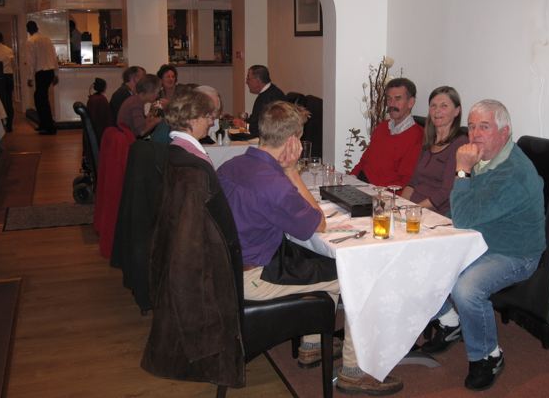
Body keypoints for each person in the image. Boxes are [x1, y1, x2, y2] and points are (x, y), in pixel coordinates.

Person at [217, 101, 403, 396]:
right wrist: (292, 171)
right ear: (293, 142)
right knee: (356, 277)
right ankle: (354, 372)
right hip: (253, 278)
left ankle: (312, 344)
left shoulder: (232, 165)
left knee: (324, 265)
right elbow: (317, 223)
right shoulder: (274, 183)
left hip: (227, 270)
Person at [421, 99, 545, 391]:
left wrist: (462, 170)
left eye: (484, 127)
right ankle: (450, 322)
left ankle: (488, 355)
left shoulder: (513, 172)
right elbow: (466, 212)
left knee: (467, 289)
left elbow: (463, 217)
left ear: (505, 132)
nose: (474, 134)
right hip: (480, 239)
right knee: (419, 255)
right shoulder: (485, 157)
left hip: (514, 252)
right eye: (472, 126)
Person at [141, 89, 245, 386]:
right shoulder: (193, 168)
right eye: (208, 117)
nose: (212, 123)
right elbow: (191, 239)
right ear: (192, 119)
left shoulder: (179, 153)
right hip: (205, 260)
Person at [401, 86, 468, 216]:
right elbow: (413, 183)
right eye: (433, 106)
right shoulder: (429, 140)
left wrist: (413, 210)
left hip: (436, 213)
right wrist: (399, 205)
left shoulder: (460, 144)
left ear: (456, 111)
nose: (437, 111)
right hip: (413, 209)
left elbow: (447, 191)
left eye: (444, 106)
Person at [351, 77, 424, 187]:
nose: (392, 104)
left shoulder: (417, 136)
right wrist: (349, 179)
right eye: (389, 99)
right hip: (361, 184)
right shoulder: (383, 127)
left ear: (411, 102)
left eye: (398, 99)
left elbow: (405, 181)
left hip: (382, 193)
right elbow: (364, 160)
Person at [25, 20, 59, 135]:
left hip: (41, 72)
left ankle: (49, 127)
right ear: (37, 27)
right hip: (49, 72)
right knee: (41, 98)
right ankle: (44, 124)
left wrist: (29, 77)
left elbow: (31, 61)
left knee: (41, 99)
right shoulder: (47, 39)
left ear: (28, 30)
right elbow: (54, 57)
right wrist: (56, 74)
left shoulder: (31, 41)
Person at [244, 64, 285, 137]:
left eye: (248, 78)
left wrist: (244, 125)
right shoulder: (269, 92)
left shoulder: (270, 98)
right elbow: (256, 119)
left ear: (258, 80)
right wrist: (244, 122)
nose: (246, 82)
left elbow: (260, 129)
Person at [116, 73, 162, 138]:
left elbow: (139, 126)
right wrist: (156, 121)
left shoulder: (136, 100)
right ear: (150, 91)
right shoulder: (136, 104)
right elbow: (141, 132)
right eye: (157, 92)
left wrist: (148, 120)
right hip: (128, 141)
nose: (158, 95)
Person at [0, 31, 15, 132]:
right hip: (8, 76)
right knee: (9, 101)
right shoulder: (9, 50)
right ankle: (9, 125)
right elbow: (12, 63)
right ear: (2, 39)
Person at [86, 77, 112, 146]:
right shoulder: (102, 99)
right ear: (104, 88)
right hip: (99, 132)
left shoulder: (91, 98)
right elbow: (107, 118)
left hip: (92, 129)